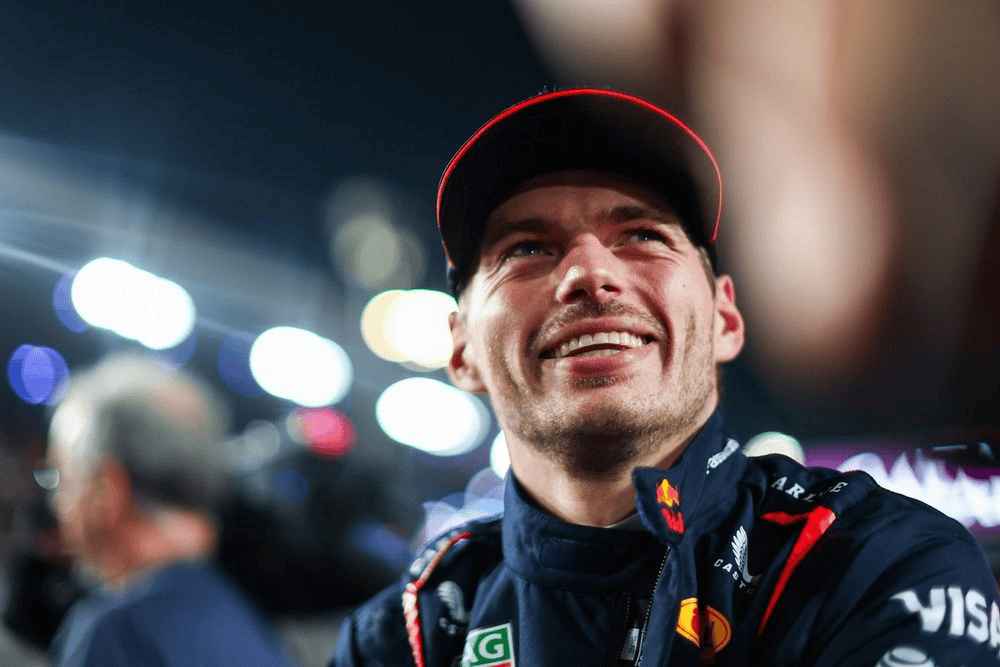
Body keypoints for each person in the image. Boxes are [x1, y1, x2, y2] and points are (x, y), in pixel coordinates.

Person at [331, 88, 1000, 666]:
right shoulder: (406, 633)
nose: (589, 272)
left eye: (643, 235)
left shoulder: (880, 560)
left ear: (725, 317)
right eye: (527, 247)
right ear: (461, 351)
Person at [42, 352, 295, 667]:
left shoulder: (118, 635)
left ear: (107, 489)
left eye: (62, 480)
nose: (56, 504)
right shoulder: (247, 621)